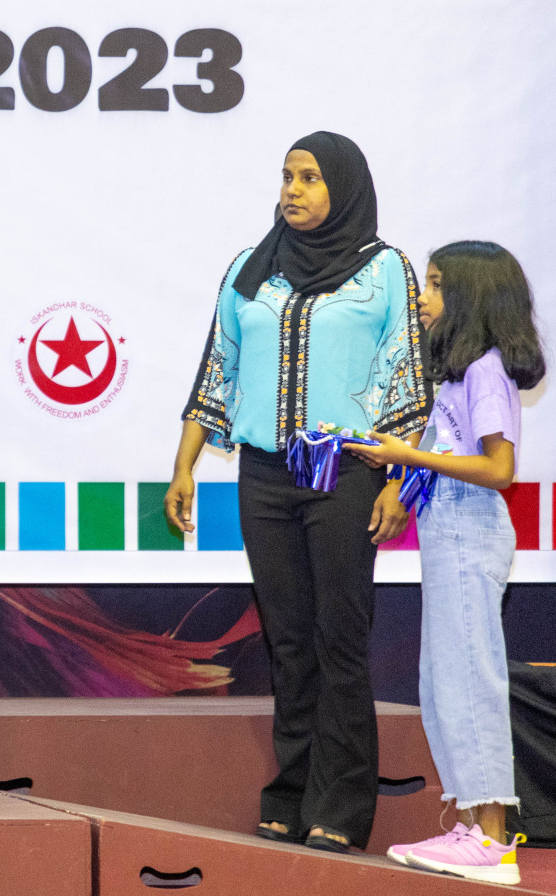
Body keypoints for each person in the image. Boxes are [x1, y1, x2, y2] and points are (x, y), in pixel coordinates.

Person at [163, 131, 430, 852]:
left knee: (338, 638)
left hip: (346, 472)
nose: (293, 190)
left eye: (309, 178)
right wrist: (185, 464)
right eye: (286, 176)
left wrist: (400, 483)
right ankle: (291, 792)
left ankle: (341, 808)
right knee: (287, 640)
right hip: (266, 473)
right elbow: (218, 369)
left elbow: (408, 384)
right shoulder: (251, 269)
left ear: (342, 187)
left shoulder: (385, 271)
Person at [347, 242, 544, 885]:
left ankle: (493, 842)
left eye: (433, 285)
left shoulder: (485, 370)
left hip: (469, 531)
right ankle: (472, 824)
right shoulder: (458, 374)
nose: (422, 298)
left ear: (469, 297)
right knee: (443, 684)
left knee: (468, 681)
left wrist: (413, 456)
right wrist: (402, 471)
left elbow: (497, 468)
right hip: (447, 533)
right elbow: (446, 451)